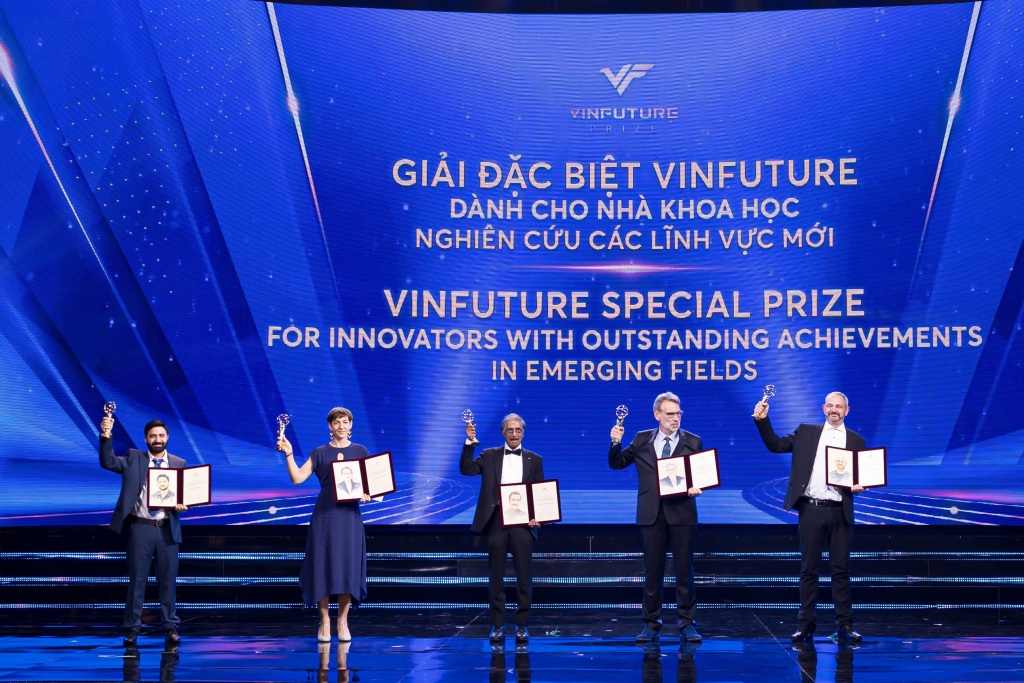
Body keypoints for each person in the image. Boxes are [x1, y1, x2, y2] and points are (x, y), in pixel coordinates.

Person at [753, 391, 865, 642]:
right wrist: (762, 420)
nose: (834, 410)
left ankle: (845, 626)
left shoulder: (856, 440)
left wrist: (860, 485)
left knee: (841, 571)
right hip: (811, 509)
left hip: (840, 511)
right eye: (830, 405)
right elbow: (776, 445)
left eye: (839, 406)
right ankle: (805, 625)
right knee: (808, 570)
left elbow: (860, 476)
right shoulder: (806, 432)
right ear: (824, 408)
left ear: (847, 411)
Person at [610, 391, 704, 644]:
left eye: (678, 414)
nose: (675, 418)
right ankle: (651, 624)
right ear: (657, 415)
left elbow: (699, 475)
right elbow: (617, 463)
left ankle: (687, 624)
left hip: (683, 513)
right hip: (652, 514)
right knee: (653, 572)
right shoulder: (642, 439)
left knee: (684, 571)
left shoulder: (693, 441)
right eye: (670, 414)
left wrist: (698, 487)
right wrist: (615, 442)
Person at [278, 407, 375, 642]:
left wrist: (368, 494)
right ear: (330, 427)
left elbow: (371, 486)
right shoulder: (319, 453)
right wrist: (289, 454)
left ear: (351, 425)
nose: (341, 426)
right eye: (336, 422)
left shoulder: (361, 451)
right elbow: (297, 478)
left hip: (349, 517)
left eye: (345, 421)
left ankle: (342, 621)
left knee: (347, 566)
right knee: (322, 565)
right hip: (325, 516)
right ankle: (324, 621)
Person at [99, 416, 188, 645]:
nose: (157, 439)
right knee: (137, 581)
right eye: (152, 436)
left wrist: (183, 504)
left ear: (167, 438)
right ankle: (132, 629)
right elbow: (108, 462)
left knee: (168, 581)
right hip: (141, 528)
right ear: (146, 439)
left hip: (167, 529)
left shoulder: (179, 463)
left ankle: (170, 627)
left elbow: (184, 495)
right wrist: (106, 435)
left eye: (161, 435)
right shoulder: (134, 458)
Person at [461, 413, 544, 642]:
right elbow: (466, 469)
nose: (514, 434)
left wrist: (538, 517)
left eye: (518, 430)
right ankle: (497, 625)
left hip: (523, 523)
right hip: (496, 520)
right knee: (495, 575)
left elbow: (539, 493)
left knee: (524, 575)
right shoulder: (489, 455)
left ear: (523, 433)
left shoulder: (535, 459)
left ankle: (521, 625)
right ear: (503, 433)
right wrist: (469, 442)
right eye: (510, 430)